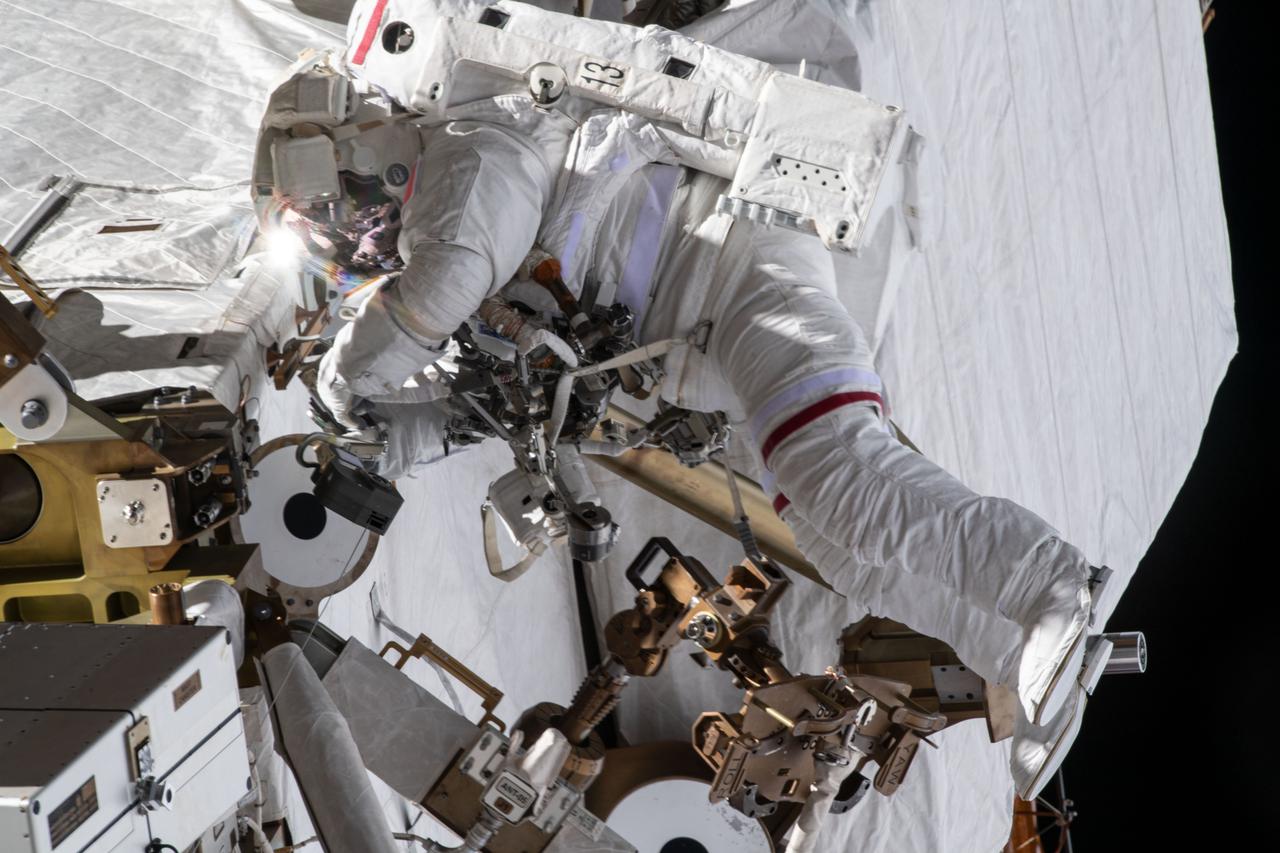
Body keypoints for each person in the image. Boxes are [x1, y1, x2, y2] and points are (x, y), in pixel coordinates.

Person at [254, 6, 1113, 801]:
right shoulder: (453, 243)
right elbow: (480, 403)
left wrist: (348, 372)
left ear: (357, 154)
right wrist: (391, 437)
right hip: (707, 337)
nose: (349, 238)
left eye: (334, 215)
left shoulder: (473, 150)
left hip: (736, 263)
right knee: (845, 549)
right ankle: (1024, 663)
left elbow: (440, 286)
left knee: (840, 476)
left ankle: (1050, 584)